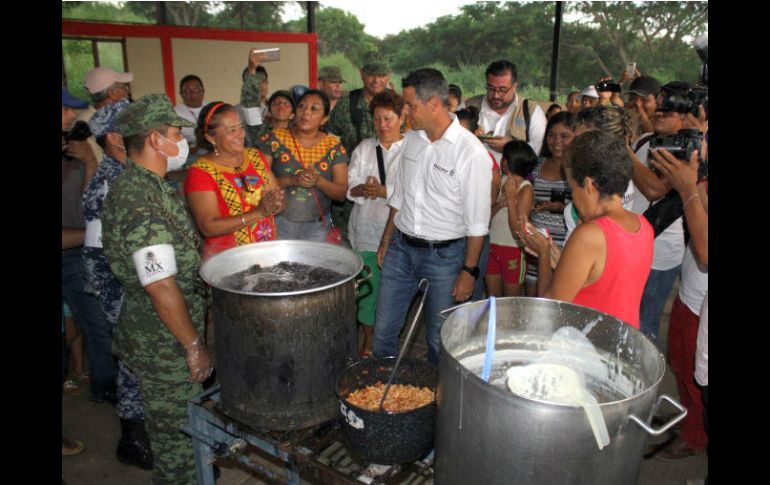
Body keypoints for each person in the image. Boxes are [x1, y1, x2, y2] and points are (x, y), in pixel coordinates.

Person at [101, 94, 213, 484]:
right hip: (163, 341)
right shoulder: (138, 199)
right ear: (153, 139)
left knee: (188, 434)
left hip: (168, 331)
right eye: (174, 133)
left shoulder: (154, 187)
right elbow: (160, 284)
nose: (181, 142)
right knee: (178, 443)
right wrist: (193, 346)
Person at [373, 68, 492, 364]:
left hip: (445, 258)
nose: (406, 112)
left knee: (441, 341)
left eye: (411, 106)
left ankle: (435, 406)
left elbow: (478, 223)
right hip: (401, 249)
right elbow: (399, 195)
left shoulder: (470, 153)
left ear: (435, 103)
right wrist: (386, 240)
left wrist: (469, 271)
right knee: (384, 332)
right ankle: (382, 397)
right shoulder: (412, 139)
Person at [82, 97, 154, 470]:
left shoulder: (133, 173)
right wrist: (124, 305)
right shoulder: (110, 183)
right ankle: (132, 437)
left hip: (139, 281)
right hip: (119, 284)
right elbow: (98, 255)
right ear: (114, 137)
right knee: (132, 360)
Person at [520, 130, 654, 329]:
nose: (573, 197)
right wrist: (561, 259)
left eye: (573, 188)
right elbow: (600, 282)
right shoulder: (644, 225)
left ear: (589, 185)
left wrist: (543, 253)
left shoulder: (589, 235)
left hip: (589, 345)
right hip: (621, 341)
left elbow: (550, 308)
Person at [648, 143, 708, 460]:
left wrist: (689, 189)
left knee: (695, 372)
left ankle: (695, 435)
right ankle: (691, 421)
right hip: (691, 291)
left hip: (701, 300)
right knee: (681, 363)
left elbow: (706, 250)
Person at [629, 81, 697, 343]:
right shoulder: (646, 140)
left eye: (667, 109)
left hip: (660, 256)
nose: (658, 112)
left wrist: (624, 154)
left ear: (684, 113)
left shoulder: (688, 152)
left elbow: (655, 190)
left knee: (644, 327)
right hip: (634, 244)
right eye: (658, 106)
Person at [62, 87, 117, 404]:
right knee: (96, 326)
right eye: (66, 110)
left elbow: (89, 203)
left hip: (83, 250)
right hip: (69, 256)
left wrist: (89, 161)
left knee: (99, 324)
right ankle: (104, 385)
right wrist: (94, 234)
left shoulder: (73, 149)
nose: (72, 116)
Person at [347, 91, 406, 357]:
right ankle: (369, 342)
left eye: (388, 118)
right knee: (368, 291)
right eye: (377, 118)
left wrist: (384, 191)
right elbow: (351, 185)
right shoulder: (364, 148)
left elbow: (413, 189)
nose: (382, 124)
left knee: (393, 292)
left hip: (400, 232)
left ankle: (388, 340)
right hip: (367, 230)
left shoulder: (411, 149)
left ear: (402, 118)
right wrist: (364, 188)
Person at [185, 102, 285, 259]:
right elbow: (208, 227)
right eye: (231, 130)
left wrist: (276, 203)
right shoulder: (200, 172)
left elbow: (278, 201)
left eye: (240, 127)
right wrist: (259, 212)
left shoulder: (255, 156)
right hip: (230, 261)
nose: (240, 135)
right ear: (211, 137)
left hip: (267, 254)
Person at [260, 90, 349, 241]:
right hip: (279, 223)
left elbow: (341, 194)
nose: (306, 112)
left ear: (324, 119)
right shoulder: (274, 138)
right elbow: (260, 181)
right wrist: (291, 180)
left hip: (319, 228)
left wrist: (318, 181)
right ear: (295, 112)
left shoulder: (333, 146)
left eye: (314, 109)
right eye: (301, 106)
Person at [327, 52, 393, 244]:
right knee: (349, 242)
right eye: (372, 74)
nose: (376, 80)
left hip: (389, 190)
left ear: (388, 76)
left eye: (381, 75)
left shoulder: (396, 105)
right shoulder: (346, 104)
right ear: (362, 74)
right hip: (351, 189)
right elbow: (330, 142)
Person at [524, 111, 577, 296]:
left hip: (566, 246)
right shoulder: (536, 165)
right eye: (552, 135)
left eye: (565, 136)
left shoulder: (579, 168)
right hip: (537, 243)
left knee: (559, 299)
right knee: (533, 299)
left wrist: (563, 208)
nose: (556, 141)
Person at [465, 60, 547, 163]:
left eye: (502, 90)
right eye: (491, 88)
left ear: (515, 86)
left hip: (513, 178)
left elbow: (535, 151)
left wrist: (509, 148)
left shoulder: (531, 111)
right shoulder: (468, 106)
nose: (496, 95)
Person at [485, 140, 537, 297]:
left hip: (513, 248)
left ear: (505, 162)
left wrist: (510, 199)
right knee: (493, 300)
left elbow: (518, 231)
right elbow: (485, 219)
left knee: (511, 302)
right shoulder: (498, 181)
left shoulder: (526, 188)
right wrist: (500, 205)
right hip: (492, 245)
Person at [174, 74, 207, 152]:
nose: (193, 94)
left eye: (196, 90)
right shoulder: (175, 113)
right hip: (190, 154)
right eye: (188, 91)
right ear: (181, 94)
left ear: (203, 91)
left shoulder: (211, 108)